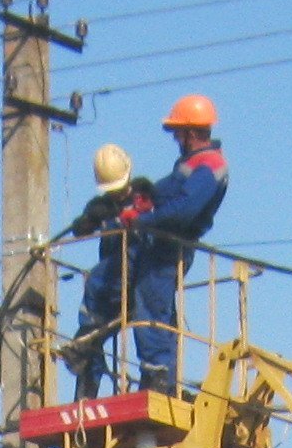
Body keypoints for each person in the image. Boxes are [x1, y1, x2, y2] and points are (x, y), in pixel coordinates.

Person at [102, 94, 229, 395]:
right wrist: (138, 198)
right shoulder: (191, 165)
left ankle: (158, 377)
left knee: (150, 306)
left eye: (177, 132)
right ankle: (162, 377)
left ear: (190, 132)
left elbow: (184, 208)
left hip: (170, 247)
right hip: (160, 245)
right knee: (153, 306)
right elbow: (165, 192)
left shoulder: (210, 167)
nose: (175, 138)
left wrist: (144, 219)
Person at [63, 142, 153, 397]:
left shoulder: (145, 195)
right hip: (113, 276)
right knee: (91, 326)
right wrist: (88, 219)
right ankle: (85, 390)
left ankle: (154, 379)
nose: (117, 195)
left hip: (137, 271)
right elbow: (82, 229)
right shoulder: (102, 206)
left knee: (148, 329)